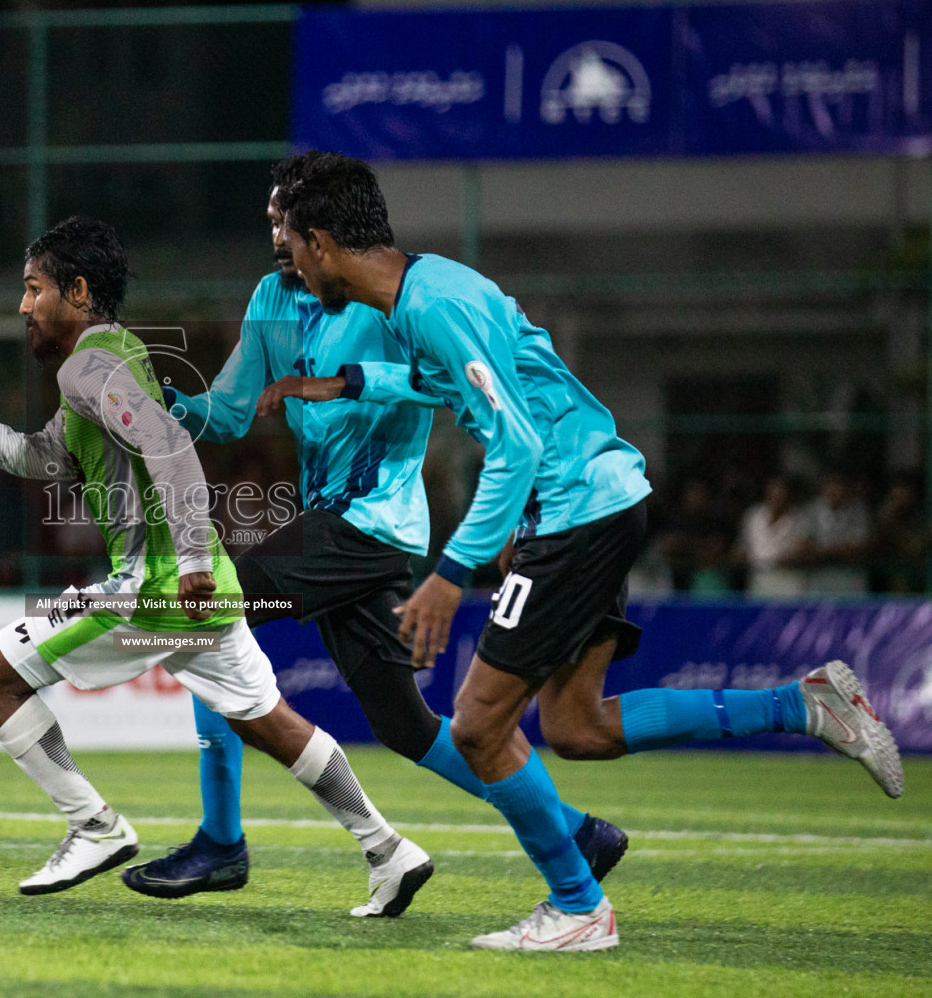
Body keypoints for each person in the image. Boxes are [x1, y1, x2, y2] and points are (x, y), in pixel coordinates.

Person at [275, 150, 904, 951]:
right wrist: (352, 383)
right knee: (576, 727)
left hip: (578, 510)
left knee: (474, 725)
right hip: (595, 500)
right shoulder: (425, 296)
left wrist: (449, 573)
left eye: (290, 242)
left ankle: (578, 906)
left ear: (321, 241)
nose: (287, 260)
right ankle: (807, 703)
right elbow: (467, 390)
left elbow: (516, 442)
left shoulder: (432, 305)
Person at [120, 175, 628, 902]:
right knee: (405, 724)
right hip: (344, 529)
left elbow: (438, 382)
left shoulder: (381, 293)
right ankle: (577, 830)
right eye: (269, 218)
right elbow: (228, 413)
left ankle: (221, 841)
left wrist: (345, 380)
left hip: (373, 521)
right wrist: (160, 406)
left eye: (283, 219)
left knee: (204, 610)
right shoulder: (274, 303)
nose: (274, 234)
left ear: (315, 230)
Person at [0, 216, 432, 914]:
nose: (23, 306)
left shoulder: (90, 366)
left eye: (34, 289)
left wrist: (186, 558)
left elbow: (168, 447)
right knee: (269, 722)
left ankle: (94, 826)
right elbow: (49, 457)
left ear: (77, 289)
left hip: (158, 586)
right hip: (202, 582)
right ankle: (388, 850)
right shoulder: (104, 360)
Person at [737, 474, 807, 597]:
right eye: (774, 491)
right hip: (758, 578)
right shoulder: (753, 515)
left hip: (789, 579)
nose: (777, 495)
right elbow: (743, 546)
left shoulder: (799, 518)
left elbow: (803, 549)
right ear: (767, 493)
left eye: (782, 492)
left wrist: (793, 557)